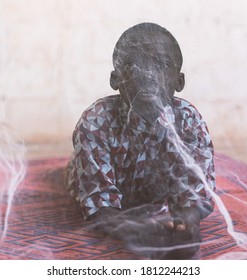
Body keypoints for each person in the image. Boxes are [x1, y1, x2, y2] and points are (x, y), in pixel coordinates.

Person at [66, 22, 215, 259]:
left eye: (162, 65)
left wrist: (188, 224)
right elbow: (98, 203)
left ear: (179, 82)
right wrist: (132, 230)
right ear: (115, 80)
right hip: (93, 181)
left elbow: (196, 194)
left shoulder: (188, 121)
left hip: (151, 193)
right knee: (73, 174)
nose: (146, 75)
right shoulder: (96, 121)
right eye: (132, 65)